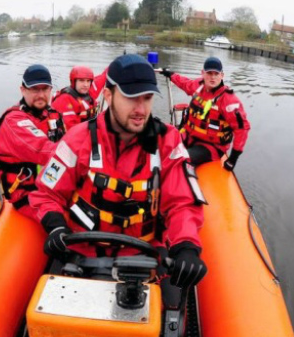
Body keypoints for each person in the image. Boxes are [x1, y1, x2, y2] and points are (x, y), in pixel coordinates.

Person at [29, 54, 208, 289]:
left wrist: (185, 246)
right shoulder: (78, 139)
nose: (141, 109)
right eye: (131, 98)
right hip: (81, 252)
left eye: (147, 98)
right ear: (108, 95)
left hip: (144, 256)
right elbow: (47, 193)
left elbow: (182, 201)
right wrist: (55, 225)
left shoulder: (168, 141)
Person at [0, 64, 66, 219]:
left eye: (45, 89)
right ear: (23, 90)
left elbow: (68, 140)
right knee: (73, 224)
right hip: (28, 196)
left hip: (54, 185)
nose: (40, 94)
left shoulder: (54, 115)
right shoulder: (13, 121)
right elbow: (43, 150)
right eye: (34, 89)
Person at [159, 56, 251, 170]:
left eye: (216, 74)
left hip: (211, 146)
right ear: (203, 73)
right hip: (189, 135)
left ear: (222, 75)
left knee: (180, 159)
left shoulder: (229, 101)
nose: (212, 77)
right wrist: (171, 75)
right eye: (209, 73)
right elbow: (185, 83)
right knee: (162, 146)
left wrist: (233, 159)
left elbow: (242, 129)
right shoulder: (199, 86)